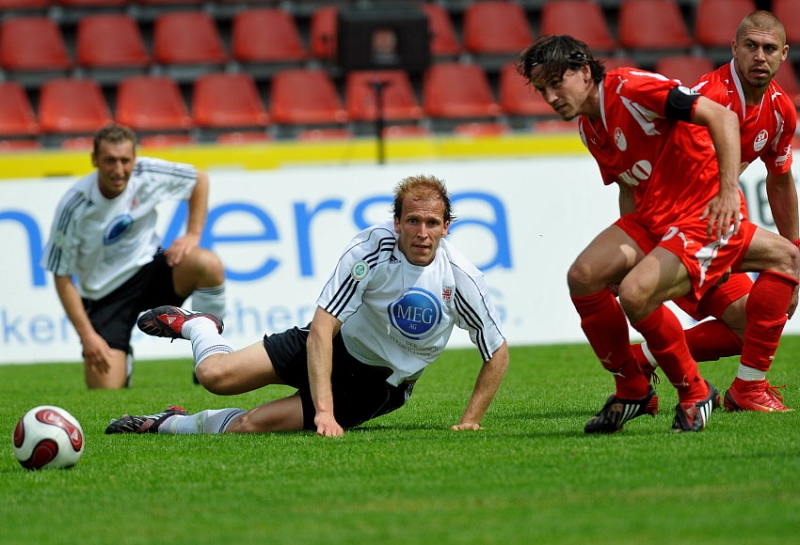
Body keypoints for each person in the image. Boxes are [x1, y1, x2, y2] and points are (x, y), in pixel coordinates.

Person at [515, 34, 799, 433]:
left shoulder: (631, 88)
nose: (550, 97)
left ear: (583, 70)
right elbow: (629, 188)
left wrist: (726, 192)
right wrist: (626, 252)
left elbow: (723, 117)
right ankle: (632, 386)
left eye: (556, 82)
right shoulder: (589, 127)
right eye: (542, 89)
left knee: (636, 293)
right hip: (655, 220)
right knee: (583, 277)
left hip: (703, 215)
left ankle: (695, 391)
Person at [104, 175, 509, 437]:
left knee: (250, 425)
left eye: (432, 223)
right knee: (213, 375)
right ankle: (201, 326)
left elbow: (496, 352)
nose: (422, 232)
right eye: (413, 221)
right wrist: (323, 414)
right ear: (397, 222)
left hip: (376, 386)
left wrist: (471, 418)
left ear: (447, 226)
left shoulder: (461, 279)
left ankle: (164, 423)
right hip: (330, 347)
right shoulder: (370, 250)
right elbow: (321, 328)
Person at [630, 11, 798, 412]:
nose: (760, 56)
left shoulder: (780, 110)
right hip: (678, 222)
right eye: (751, 47)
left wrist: (795, 242)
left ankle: (642, 360)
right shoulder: (709, 96)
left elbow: (779, 182)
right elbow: (678, 171)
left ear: (784, 55)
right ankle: (748, 390)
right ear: (734, 48)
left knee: (754, 325)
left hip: (714, 224)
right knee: (781, 273)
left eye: (769, 49)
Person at [41, 124, 226, 390]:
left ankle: (212, 354)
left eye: (125, 160)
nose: (119, 170)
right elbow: (61, 275)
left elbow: (199, 179)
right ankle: (122, 362)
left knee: (207, 264)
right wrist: (87, 336)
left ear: (134, 158)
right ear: (94, 160)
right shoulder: (75, 205)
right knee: (105, 389)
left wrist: (193, 235)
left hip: (149, 270)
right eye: (110, 161)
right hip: (104, 296)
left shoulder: (147, 173)